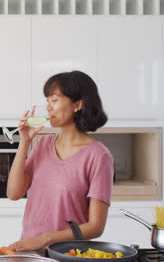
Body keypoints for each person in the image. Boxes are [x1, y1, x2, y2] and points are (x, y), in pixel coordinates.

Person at [6, 70, 113, 251]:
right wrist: (24, 142)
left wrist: (45, 239)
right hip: (30, 251)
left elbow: (96, 227)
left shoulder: (99, 156)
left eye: (54, 100)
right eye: (47, 100)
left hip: (69, 254)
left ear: (77, 105)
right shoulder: (43, 144)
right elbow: (13, 193)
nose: (48, 107)